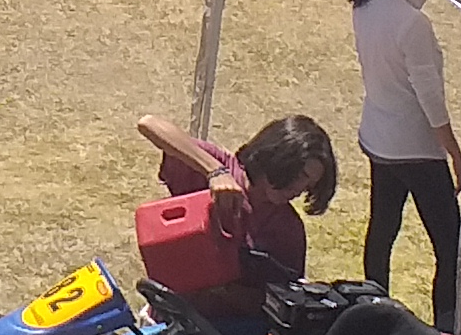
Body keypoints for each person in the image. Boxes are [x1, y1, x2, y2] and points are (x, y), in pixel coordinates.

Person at [348, 0, 461, 326]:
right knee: (449, 243)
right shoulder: (413, 23)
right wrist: (454, 152)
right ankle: (447, 323)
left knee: (382, 229)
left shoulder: (365, 7)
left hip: (379, 138)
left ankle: (371, 309)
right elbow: (429, 96)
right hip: (415, 147)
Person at [134, 111, 342, 302]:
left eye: (309, 185)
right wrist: (214, 171)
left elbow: (287, 299)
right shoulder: (223, 170)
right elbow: (149, 124)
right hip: (172, 314)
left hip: (230, 326)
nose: (299, 189)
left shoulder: (288, 229)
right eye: (300, 175)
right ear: (279, 156)